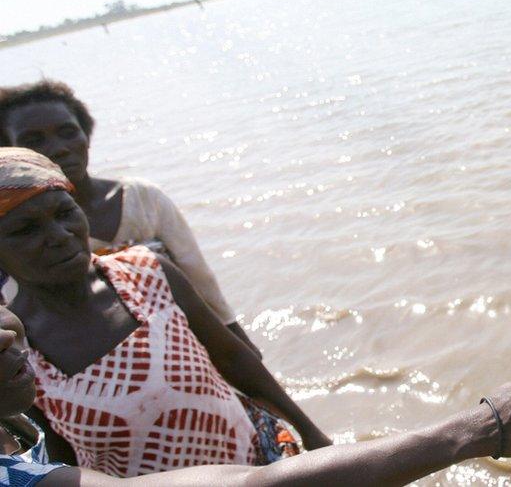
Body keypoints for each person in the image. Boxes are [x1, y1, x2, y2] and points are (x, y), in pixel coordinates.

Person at [0, 304, 511, 486]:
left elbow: (238, 359)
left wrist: (315, 438)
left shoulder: (22, 470)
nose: (10, 336)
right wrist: (481, 429)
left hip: (264, 453)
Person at [0, 148, 329, 476]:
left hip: (256, 462)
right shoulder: (15, 347)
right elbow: (61, 461)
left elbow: (234, 360)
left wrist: (313, 435)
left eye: (65, 212)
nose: (59, 235)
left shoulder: (148, 272)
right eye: (25, 230)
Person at [0, 80, 259, 355]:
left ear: (86, 135)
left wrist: (240, 342)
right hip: (105, 363)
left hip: (198, 343)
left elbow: (199, 276)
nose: (59, 148)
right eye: (33, 140)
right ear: (10, 153)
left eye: (68, 132)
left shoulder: (142, 199)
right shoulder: (18, 237)